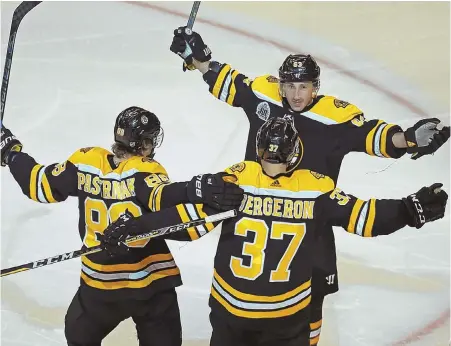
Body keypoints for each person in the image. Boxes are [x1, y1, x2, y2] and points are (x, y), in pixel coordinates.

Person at [169, 27, 451, 345]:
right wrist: (198, 58)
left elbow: (376, 136)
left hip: (310, 223)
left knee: (304, 321)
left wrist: (409, 138)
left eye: (303, 86)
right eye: (290, 85)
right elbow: (230, 84)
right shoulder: (265, 94)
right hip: (255, 214)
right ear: (282, 84)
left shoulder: (335, 116)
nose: (296, 94)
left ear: (315, 86)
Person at [100, 116, 448, 346]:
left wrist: (134, 229)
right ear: (295, 153)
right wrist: (409, 209)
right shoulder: (315, 188)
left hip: (231, 315)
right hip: (287, 317)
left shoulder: (237, 179)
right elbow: (365, 217)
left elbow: (185, 223)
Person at [0, 106, 243, 346]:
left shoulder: (85, 161)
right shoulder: (145, 169)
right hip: (149, 285)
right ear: (143, 144)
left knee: (78, 334)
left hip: (99, 286)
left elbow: (36, 183)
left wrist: (11, 152)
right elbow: (163, 198)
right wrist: (196, 190)